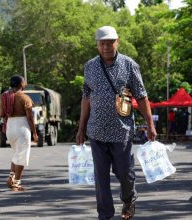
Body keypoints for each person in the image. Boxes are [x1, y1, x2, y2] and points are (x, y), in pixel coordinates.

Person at [76, 26, 157, 220]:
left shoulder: (129, 65)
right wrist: (81, 128)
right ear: (97, 45)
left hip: (122, 131)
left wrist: (150, 124)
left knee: (125, 174)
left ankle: (129, 199)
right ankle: (105, 215)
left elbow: (142, 96)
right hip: (96, 131)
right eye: (102, 43)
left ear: (117, 42)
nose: (106, 47)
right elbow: (86, 98)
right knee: (101, 178)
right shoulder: (90, 67)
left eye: (110, 43)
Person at [0, 75, 38, 191]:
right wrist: (34, 132)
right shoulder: (24, 98)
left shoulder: (4, 96)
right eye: (24, 81)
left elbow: (1, 114)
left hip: (10, 127)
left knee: (16, 154)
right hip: (21, 127)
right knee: (21, 157)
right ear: (21, 84)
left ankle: (11, 177)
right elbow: (30, 117)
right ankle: (16, 184)